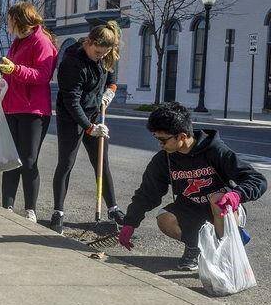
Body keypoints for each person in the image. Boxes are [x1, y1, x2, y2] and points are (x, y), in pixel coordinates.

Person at [117, 102, 266, 270]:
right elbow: (147, 193)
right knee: (164, 219)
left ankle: (227, 250)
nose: (160, 144)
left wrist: (236, 195)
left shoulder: (215, 151)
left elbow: (257, 179)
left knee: (217, 200)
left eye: (163, 139)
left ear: (181, 136)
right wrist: (130, 223)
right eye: (157, 138)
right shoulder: (164, 159)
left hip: (223, 207)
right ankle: (195, 248)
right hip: (191, 209)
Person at [50, 21, 124, 234]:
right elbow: (72, 102)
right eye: (97, 52)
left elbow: (111, 78)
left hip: (94, 113)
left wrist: (110, 91)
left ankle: (113, 209)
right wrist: (90, 128)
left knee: (101, 163)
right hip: (70, 118)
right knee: (66, 162)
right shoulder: (72, 63)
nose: (100, 56)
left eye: (105, 53)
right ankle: (58, 212)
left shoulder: (106, 56)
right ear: (89, 43)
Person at [0, 2, 58, 223]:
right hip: (13, 106)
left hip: (34, 110)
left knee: (28, 160)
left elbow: (42, 75)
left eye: (10, 19)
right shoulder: (17, 42)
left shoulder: (41, 42)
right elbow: (14, 71)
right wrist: (4, 77)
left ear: (19, 20)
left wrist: (15, 69)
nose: (8, 23)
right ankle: (7, 205)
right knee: (11, 158)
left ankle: (30, 208)